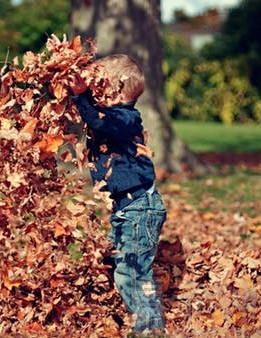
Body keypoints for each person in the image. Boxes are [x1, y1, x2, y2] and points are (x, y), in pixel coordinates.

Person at [69, 54, 167, 335]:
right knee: (115, 260)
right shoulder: (111, 117)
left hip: (140, 208)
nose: (93, 92)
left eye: (98, 86)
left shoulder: (126, 118)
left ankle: (150, 326)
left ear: (115, 89)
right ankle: (124, 310)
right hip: (127, 209)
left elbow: (99, 122)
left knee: (133, 272)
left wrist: (82, 97)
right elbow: (92, 117)